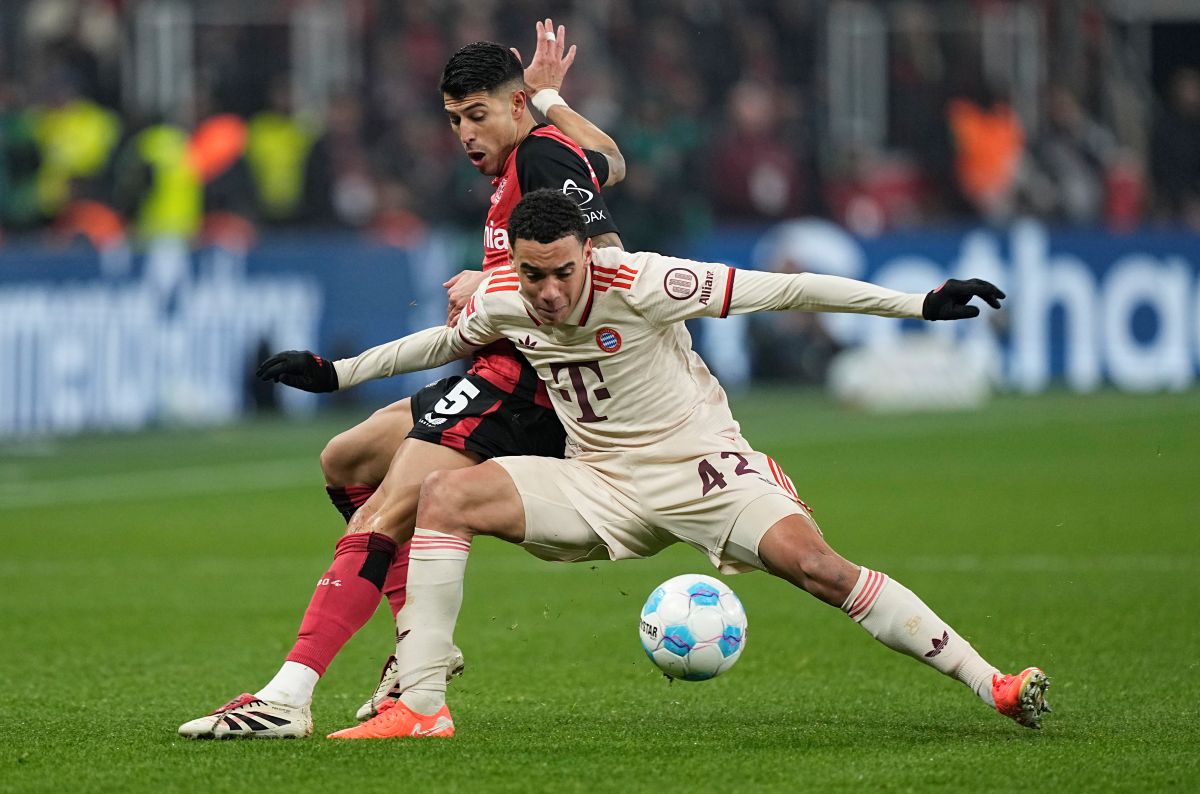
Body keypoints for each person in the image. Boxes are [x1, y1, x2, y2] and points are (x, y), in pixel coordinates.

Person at [262, 189, 1048, 739]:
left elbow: (791, 289)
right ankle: (423, 706)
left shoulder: (646, 282)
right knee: (442, 494)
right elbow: (445, 341)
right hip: (598, 482)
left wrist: (918, 303)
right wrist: (340, 373)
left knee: (819, 569)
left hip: (706, 471)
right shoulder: (506, 295)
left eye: (561, 272)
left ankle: (994, 685)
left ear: (585, 257)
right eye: (532, 274)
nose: (546, 291)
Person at [179, 20, 627, 739]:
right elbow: (608, 160)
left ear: (511, 109)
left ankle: (290, 697)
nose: (465, 135)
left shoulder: (538, 160)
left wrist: (501, 277)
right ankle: (420, 649)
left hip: (527, 381)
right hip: (498, 365)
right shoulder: (544, 151)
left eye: (478, 115)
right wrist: (549, 98)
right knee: (347, 460)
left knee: (383, 510)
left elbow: (607, 261)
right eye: (454, 120)